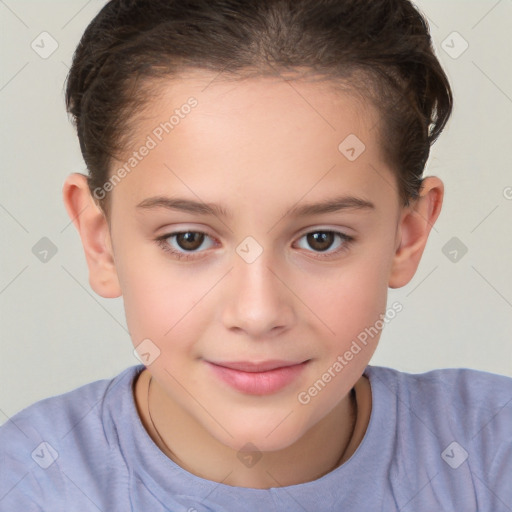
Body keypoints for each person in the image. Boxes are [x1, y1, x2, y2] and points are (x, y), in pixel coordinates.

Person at [1, 0, 511, 510]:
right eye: (189, 239)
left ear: (407, 236)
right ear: (100, 241)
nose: (258, 313)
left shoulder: (491, 453)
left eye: (321, 239)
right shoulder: (26, 484)